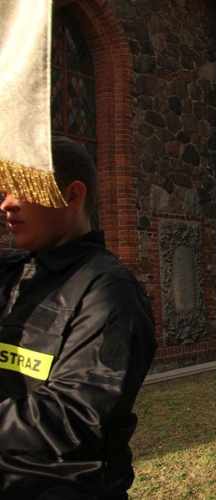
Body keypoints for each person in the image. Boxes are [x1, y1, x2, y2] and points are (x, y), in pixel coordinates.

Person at [0, 136, 157, 498]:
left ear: (72, 196)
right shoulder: (12, 278)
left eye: (20, 188)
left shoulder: (115, 296)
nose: (6, 203)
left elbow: (77, 415)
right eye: (4, 190)